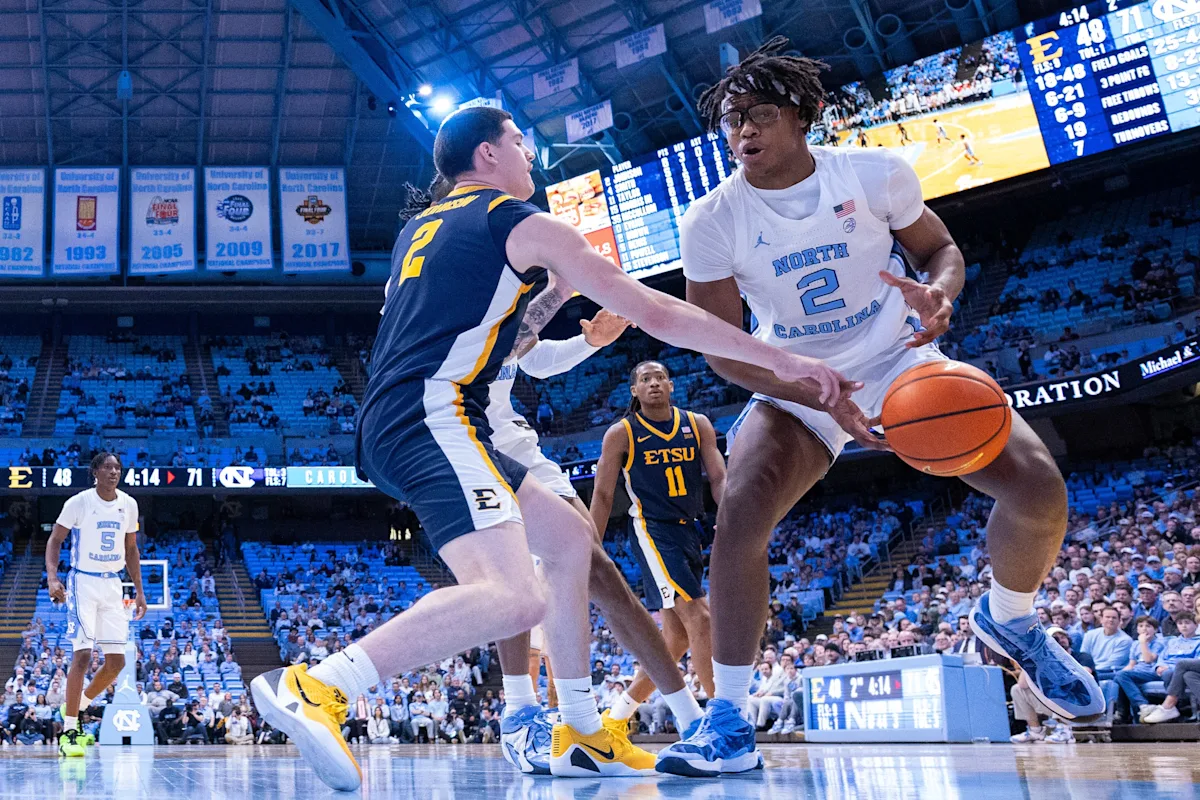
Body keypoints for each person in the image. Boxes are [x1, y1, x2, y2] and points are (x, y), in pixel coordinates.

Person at [250, 105, 842, 791]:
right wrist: (779, 359)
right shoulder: (519, 222)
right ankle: (321, 684)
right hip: (434, 414)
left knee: (567, 541)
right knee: (515, 598)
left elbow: (503, 336)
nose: (530, 155)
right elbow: (656, 311)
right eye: (518, 143)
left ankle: (583, 732)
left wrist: (558, 294)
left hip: (409, 414)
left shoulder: (423, 229)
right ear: (487, 154)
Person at [658, 37, 1103, 778]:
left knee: (1037, 486)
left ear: (804, 115)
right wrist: (813, 388)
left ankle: (1011, 621)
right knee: (740, 512)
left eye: (760, 114)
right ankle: (728, 717)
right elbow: (721, 350)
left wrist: (941, 294)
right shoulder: (711, 219)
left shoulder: (873, 174)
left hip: (901, 357)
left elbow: (941, 252)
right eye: (733, 120)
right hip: (796, 374)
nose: (743, 131)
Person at [476, 296, 709, 775]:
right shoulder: (443, 288)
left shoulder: (505, 291)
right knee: (516, 578)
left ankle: (636, 726)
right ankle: (524, 715)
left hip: (518, 444)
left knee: (595, 570)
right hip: (470, 440)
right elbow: (502, 345)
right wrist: (560, 287)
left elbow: (531, 357)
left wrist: (588, 342)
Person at [590, 360, 724, 725]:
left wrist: (728, 513)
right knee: (701, 618)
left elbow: (718, 476)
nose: (654, 383)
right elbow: (602, 495)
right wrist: (591, 547)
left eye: (660, 377)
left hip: (690, 529)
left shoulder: (697, 424)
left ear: (671, 385)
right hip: (652, 530)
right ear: (634, 390)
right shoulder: (622, 433)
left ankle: (616, 718)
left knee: (677, 639)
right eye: (645, 379)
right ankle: (723, 717)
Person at [46, 452, 145, 758]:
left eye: (117, 467)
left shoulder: (128, 504)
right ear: (95, 472)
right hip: (82, 582)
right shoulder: (79, 502)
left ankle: (77, 706)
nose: (114, 471)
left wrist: (139, 591)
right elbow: (55, 540)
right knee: (83, 654)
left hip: (113, 584)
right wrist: (52, 578)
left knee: (117, 663)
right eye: (107, 467)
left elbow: (131, 549)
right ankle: (69, 731)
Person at [1010, 627, 1094, 743]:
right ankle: (1035, 731)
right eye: (1055, 638)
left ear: (1069, 639)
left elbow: (1084, 676)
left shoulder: (1082, 656)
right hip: (1056, 706)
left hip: (1083, 704)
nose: (1061, 640)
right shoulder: (1044, 660)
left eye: (1063, 637)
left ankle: (1064, 731)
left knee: (1059, 685)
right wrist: (1034, 657)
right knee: (1017, 689)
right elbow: (1023, 685)